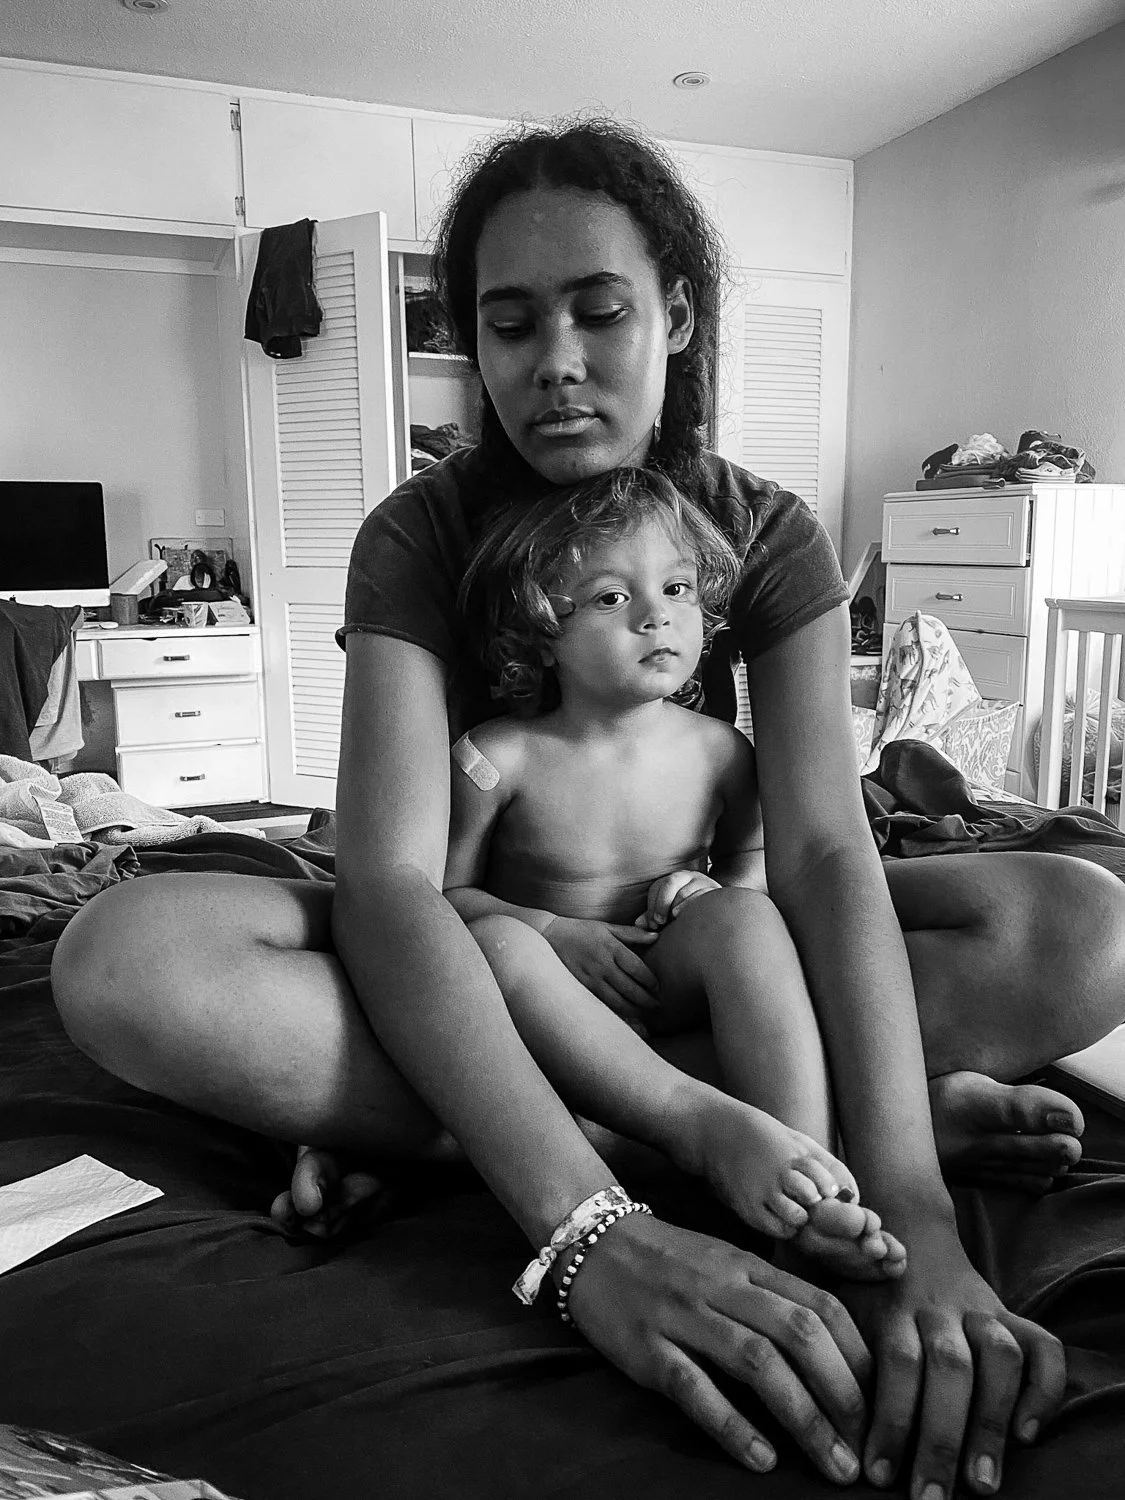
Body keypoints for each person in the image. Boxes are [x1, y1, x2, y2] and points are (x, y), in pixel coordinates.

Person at [49, 116, 1125, 1500]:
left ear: (673, 314)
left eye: (597, 312)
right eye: (508, 326)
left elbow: (813, 851)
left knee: (1079, 921)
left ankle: (486, 1128)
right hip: (497, 948)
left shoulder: (769, 533)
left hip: (708, 943)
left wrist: (915, 1214)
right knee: (125, 957)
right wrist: (583, 1229)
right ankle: (726, 1122)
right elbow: (390, 881)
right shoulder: (421, 535)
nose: (552, 363)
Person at [445, 466, 909, 1280]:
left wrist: (708, 893)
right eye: (609, 599)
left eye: (678, 587)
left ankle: (804, 1177)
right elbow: (443, 897)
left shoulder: (723, 753)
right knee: (495, 947)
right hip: (550, 999)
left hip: (665, 973)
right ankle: (693, 1125)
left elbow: (750, 870)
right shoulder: (495, 758)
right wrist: (554, 933)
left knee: (748, 922)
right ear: (541, 627)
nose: (656, 614)